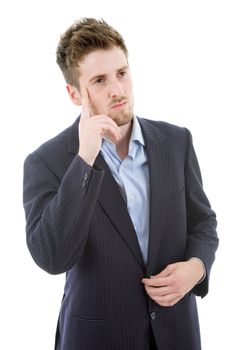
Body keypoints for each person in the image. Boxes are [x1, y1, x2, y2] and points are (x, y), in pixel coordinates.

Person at [23, 18, 218, 350]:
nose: (117, 90)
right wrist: (84, 159)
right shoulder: (47, 161)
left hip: (177, 334)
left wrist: (196, 268)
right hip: (98, 338)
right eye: (99, 80)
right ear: (74, 93)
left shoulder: (176, 141)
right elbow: (52, 257)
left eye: (122, 73)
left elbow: (202, 221)